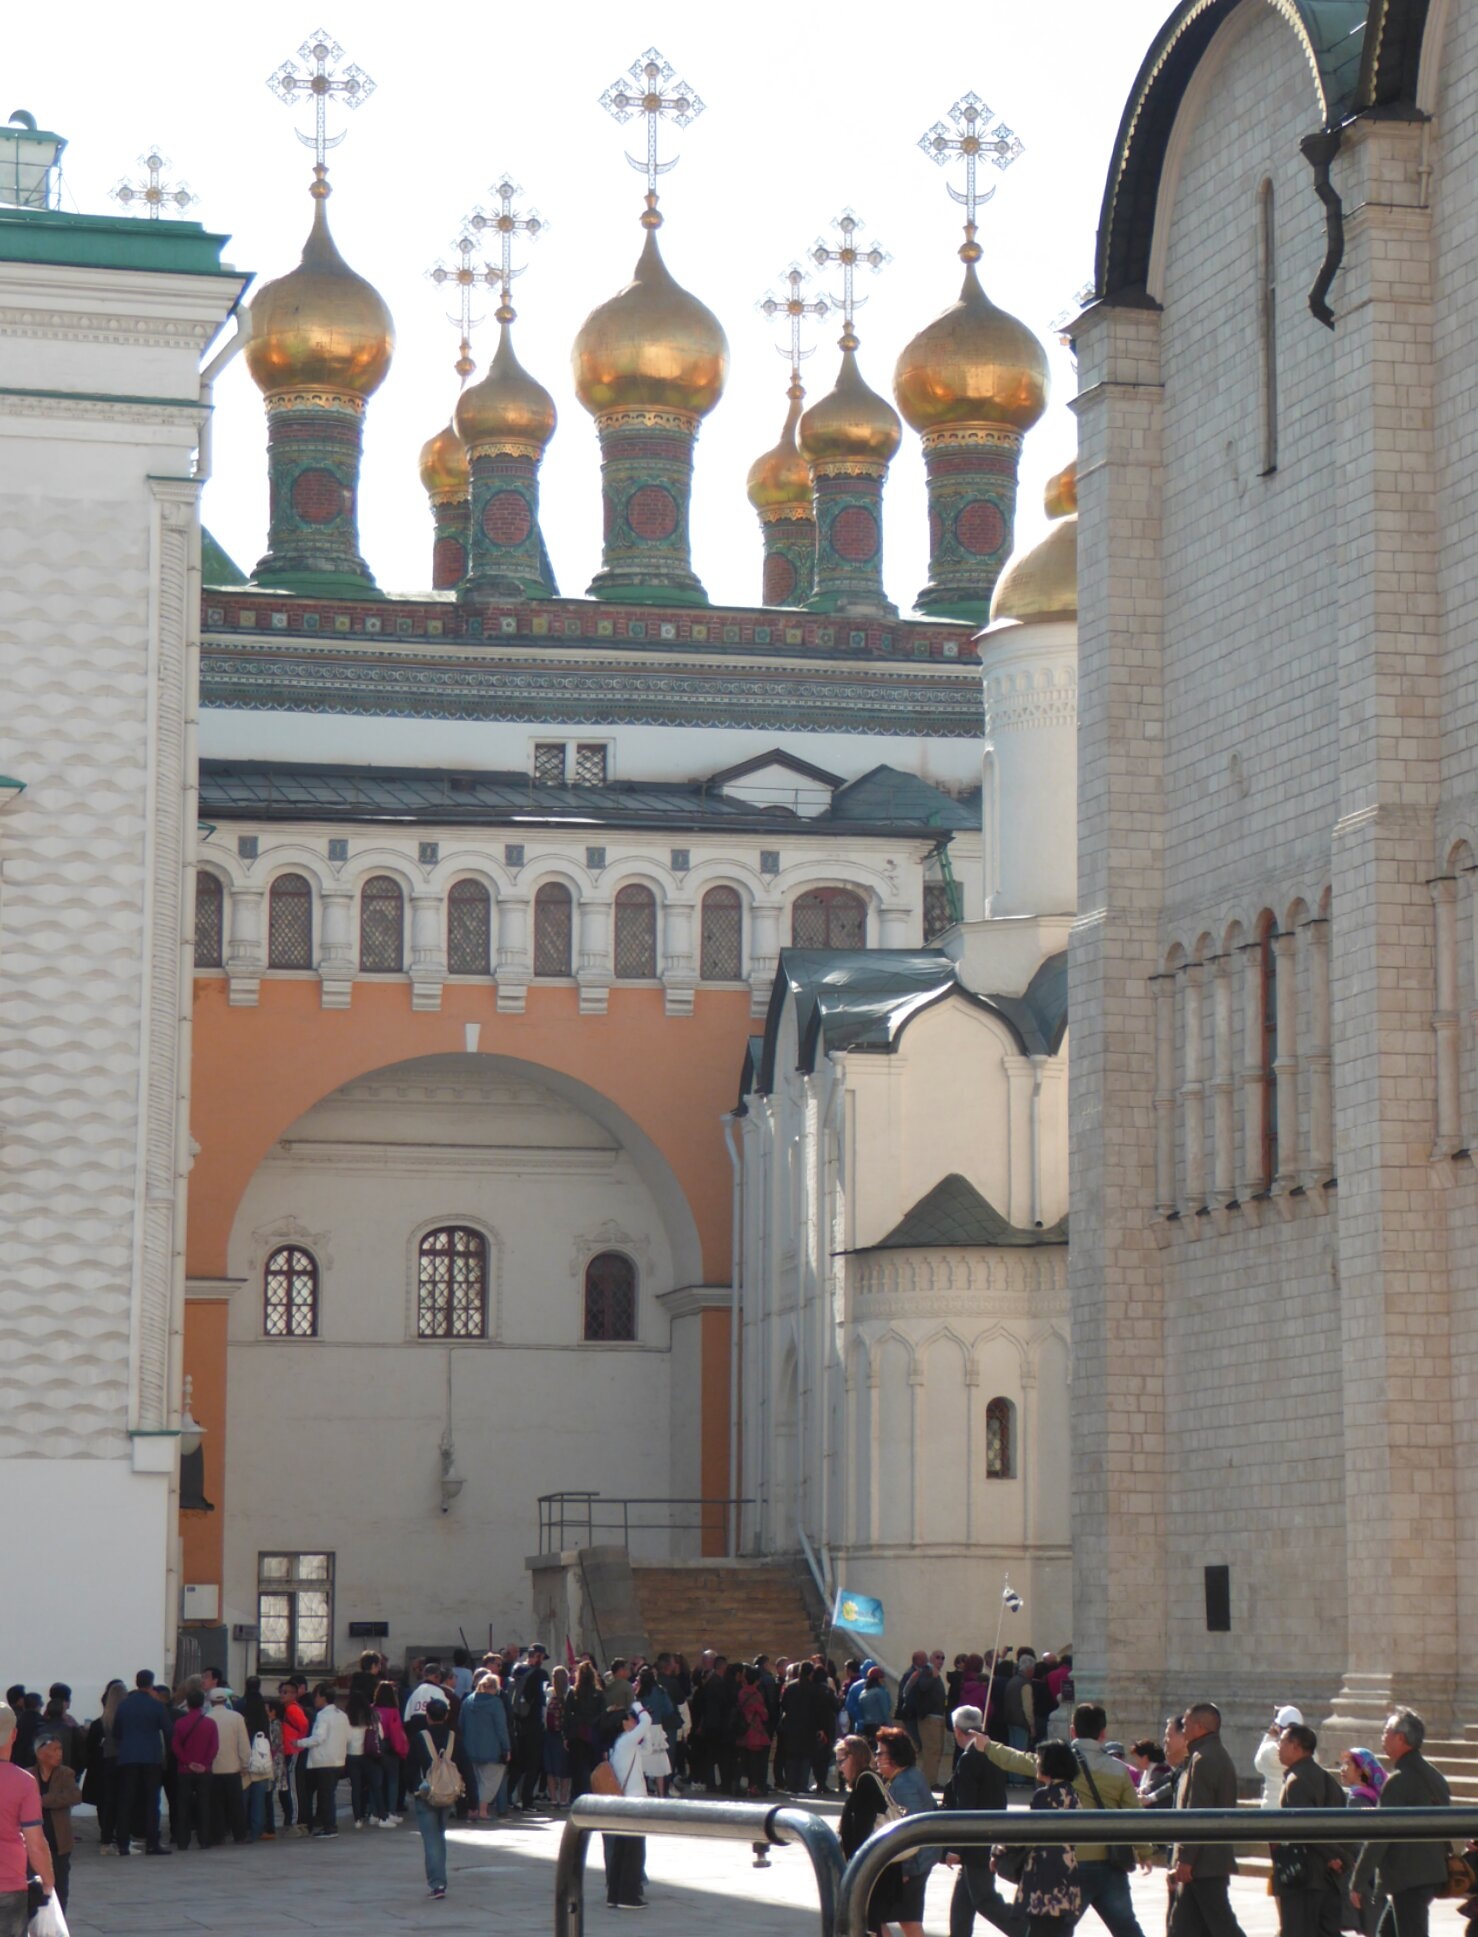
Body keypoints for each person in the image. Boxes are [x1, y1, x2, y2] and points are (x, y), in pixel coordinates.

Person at [965, 1702, 1150, 1937]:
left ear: (1073, 1730)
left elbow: (1017, 1759)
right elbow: (1133, 1814)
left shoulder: (1057, 1762)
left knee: (1057, 1930)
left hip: (1069, 1864)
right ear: (1103, 1733)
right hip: (1109, 1864)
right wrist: (1145, 1851)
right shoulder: (1119, 1771)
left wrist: (988, 1746)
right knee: (1126, 1927)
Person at [1352, 1711, 1452, 1937]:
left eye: (1387, 1732)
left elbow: (1381, 1834)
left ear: (1400, 1738)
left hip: (1409, 1878)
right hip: (1430, 1873)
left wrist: (1358, 1881)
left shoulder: (1398, 1780)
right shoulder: (1433, 1775)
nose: (1382, 1737)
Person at [944, 1705, 1023, 1937]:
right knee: (962, 1903)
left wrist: (957, 1847)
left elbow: (966, 1806)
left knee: (984, 1899)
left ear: (957, 1730)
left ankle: (1027, 1930)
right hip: (989, 1832)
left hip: (976, 1839)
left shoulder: (969, 1758)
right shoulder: (992, 1753)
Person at [1169, 1702, 1246, 1937]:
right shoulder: (1208, 1755)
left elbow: (1199, 1812)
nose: (1184, 1729)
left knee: (1222, 1926)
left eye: (1187, 1724)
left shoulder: (1205, 1759)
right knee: (1183, 1927)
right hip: (1205, 1862)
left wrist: (1186, 1858)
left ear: (1200, 1727)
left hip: (1204, 1864)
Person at [1271, 1723, 1351, 1937]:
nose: (1278, 1746)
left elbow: (1305, 1826)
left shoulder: (1296, 1781)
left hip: (1304, 1876)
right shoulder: (1323, 1777)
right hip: (1326, 1876)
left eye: (1283, 1742)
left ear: (1296, 1746)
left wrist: (1333, 1856)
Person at [1012, 1739, 1082, 1937]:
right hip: (1066, 1871)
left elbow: (1026, 1833)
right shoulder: (1072, 1793)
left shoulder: (1043, 1796)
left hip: (1043, 1873)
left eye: (1040, 1759)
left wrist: (999, 1851)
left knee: (1039, 1929)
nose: (1036, 1763)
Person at [875, 1726, 939, 1937]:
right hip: (918, 1862)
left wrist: (905, 1870)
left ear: (894, 1755)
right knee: (909, 1921)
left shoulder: (905, 1784)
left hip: (911, 1865)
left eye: (880, 1752)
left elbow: (911, 1829)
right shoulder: (908, 1776)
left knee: (874, 1918)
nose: (876, 1757)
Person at [839, 1734, 904, 1936]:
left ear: (855, 1758)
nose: (839, 1767)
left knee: (870, 1922)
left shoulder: (865, 1782)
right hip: (877, 1867)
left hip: (875, 1870)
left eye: (842, 1760)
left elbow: (862, 1832)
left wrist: (852, 1867)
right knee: (873, 1922)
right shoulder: (864, 1782)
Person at [410, 1696, 474, 1901]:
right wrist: (472, 1799)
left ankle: (437, 1883)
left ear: (427, 1716)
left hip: (426, 1792)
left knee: (431, 1839)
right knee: (440, 1834)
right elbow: (466, 1767)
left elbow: (409, 1769)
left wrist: (412, 1789)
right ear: (446, 1716)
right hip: (449, 1792)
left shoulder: (420, 1737)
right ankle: (440, 1880)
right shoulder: (454, 1738)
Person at [0, 1703, 54, 1937]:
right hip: (9, 1884)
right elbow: (36, 1843)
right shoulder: (24, 1782)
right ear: (14, 1735)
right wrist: (48, 1882)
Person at [113, 1669, 172, 1856]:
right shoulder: (156, 1705)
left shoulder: (124, 1705)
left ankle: (123, 1843)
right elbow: (168, 1731)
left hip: (128, 1756)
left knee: (126, 1800)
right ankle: (152, 1843)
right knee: (151, 1801)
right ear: (151, 1683)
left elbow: (116, 1732)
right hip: (151, 1757)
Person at [604, 1703, 652, 1909]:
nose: (635, 1722)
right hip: (634, 1802)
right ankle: (628, 1896)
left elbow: (647, 1749)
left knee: (622, 1850)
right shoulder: (626, 1741)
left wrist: (644, 1732)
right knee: (634, 1851)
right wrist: (635, 1702)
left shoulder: (620, 1744)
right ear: (623, 1723)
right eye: (630, 1719)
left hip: (624, 1802)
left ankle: (614, 1895)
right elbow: (647, 1721)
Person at [33, 1732, 80, 1916]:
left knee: (61, 1886)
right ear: (40, 1752)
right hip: (36, 1840)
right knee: (36, 1886)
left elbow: (75, 1796)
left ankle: (59, 1921)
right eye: (54, 1749)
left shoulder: (66, 1773)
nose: (59, 1753)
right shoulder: (28, 1775)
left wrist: (44, 1800)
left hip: (59, 1840)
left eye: (60, 1749)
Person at [299, 1681, 350, 1838]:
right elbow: (347, 1737)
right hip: (338, 1760)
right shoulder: (342, 1715)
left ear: (322, 1697)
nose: (315, 1699)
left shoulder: (322, 1716)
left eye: (317, 1696)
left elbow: (318, 1738)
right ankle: (326, 1824)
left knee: (325, 1796)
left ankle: (329, 1826)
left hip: (323, 1761)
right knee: (328, 1794)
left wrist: (300, 1742)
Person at [170, 1688, 217, 1850]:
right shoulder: (210, 1723)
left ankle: (183, 1841)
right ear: (203, 1703)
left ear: (188, 1704)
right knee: (204, 1804)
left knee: (183, 1806)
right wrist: (204, 1763)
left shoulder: (180, 1723)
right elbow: (214, 1747)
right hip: (204, 1770)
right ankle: (204, 1839)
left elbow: (175, 1746)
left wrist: (188, 1762)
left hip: (185, 1770)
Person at [461, 1672, 510, 1823]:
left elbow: (460, 1724)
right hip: (491, 1748)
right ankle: (482, 1810)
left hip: (469, 1747)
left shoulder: (468, 1701)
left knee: (474, 1780)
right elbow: (501, 1728)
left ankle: (473, 1809)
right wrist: (506, 1748)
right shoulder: (496, 1703)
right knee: (490, 1780)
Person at [84, 1679, 125, 1850]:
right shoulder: (125, 1723)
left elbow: (90, 1749)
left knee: (104, 1801)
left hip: (102, 1767)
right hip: (122, 1765)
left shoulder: (98, 1724)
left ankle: (106, 1834)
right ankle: (119, 1833)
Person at [206, 1686, 249, 1845]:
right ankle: (240, 1835)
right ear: (226, 1700)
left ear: (210, 1701)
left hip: (214, 1767)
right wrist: (245, 1763)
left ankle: (218, 1835)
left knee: (216, 1804)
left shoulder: (207, 1717)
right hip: (233, 1767)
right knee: (236, 1803)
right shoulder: (236, 1717)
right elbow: (243, 1743)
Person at [565, 1660, 605, 1802]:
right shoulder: (599, 1694)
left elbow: (568, 1715)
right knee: (593, 1766)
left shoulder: (573, 1693)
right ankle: (594, 1796)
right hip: (593, 1733)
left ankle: (577, 1798)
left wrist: (567, 1736)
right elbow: (602, 1715)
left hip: (577, 1733)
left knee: (578, 1768)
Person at [1257, 1707, 1306, 1808]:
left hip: (1270, 1807)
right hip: (1296, 1807)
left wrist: (1270, 1736)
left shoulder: (1270, 1750)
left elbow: (1258, 1764)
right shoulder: (1307, 1752)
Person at [277, 1679, 308, 1833]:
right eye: (281, 1692)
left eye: (286, 1692)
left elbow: (304, 1725)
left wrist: (297, 1743)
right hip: (289, 1751)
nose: (282, 1695)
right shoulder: (288, 1708)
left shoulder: (292, 1709)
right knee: (289, 1786)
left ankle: (295, 1820)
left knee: (292, 1787)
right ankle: (292, 1817)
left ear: (294, 1694)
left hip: (293, 1751)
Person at [544, 1666, 573, 1808]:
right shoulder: (571, 1693)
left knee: (551, 1769)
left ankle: (553, 1799)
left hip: (550, 1735)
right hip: (565, 1734)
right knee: (566, 1770)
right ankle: (564, 1798)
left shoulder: (549, 1693)